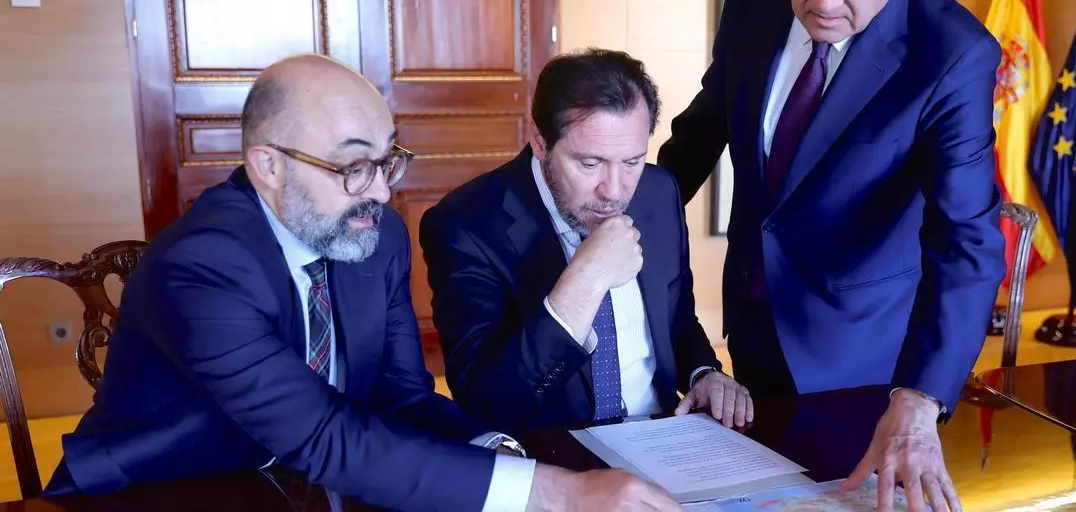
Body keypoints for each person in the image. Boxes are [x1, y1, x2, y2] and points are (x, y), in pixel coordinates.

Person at [45, 54, 684, 512]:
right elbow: (324, 436)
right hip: (163, 489)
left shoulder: (375, 239)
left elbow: (402, 397)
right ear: (268, 166)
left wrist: (494, 450)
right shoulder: (203, 264)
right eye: (354, 165)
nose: (380, 191)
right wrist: (559, 493)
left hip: (317, 488)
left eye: (387, 160)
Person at [656, 0, 1006, 512]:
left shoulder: (952, 55)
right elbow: (709, 119)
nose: (823, 1)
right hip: (751, 318)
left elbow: (967, 241)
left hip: (860, 363)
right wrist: (631, 213)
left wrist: (919, 400)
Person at [421, 48, 752, 434]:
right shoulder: (466, 225)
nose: (614, 191)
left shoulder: (659, 191)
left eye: (632, 162)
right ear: (540, 142)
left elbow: (676, 318)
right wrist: (587, 278)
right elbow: (489, 405)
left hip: (662, 437)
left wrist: (703, 373)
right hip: (554, 451)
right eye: (590, 164)